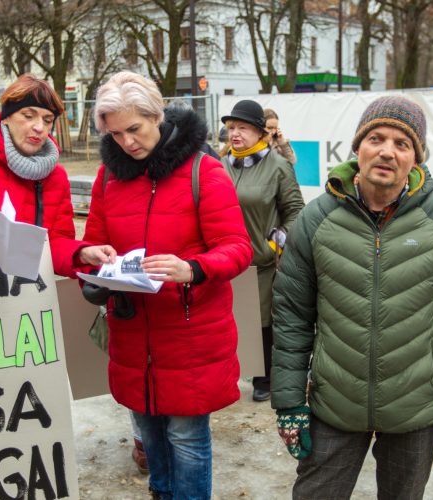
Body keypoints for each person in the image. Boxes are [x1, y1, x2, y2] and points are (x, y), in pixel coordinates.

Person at [271, 95, 433, 499]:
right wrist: (289, 402)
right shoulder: (317, 218)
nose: (387, 152)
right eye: (376, 138)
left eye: (402, 143)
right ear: (357, 147)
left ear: (417, 158)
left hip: (416, 405)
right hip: (334, 403)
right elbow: (291, 316)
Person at [79, 71, 253, 499]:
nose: (127, 143)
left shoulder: (203, 171)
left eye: (134, 129)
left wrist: (191, 268)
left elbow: (237, 247)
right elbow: (93, 240)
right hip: (133, 331)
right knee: (149, 431)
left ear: (156, 115)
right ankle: (160, 491)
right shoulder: (108, 179)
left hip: (191, 333)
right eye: (115, 134)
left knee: (187, 437)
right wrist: (98, 261)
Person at [0, 73, 112, 276]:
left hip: (25, 300)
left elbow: (57, 242)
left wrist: (82, 254)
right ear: (6, 117)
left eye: (47, 120)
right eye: (28, 116)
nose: (39, 127)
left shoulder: (57, 176)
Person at [220, 99, 304, 402]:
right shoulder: (221, 165)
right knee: (227, 320)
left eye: (243, 127)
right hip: (224, 261)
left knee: (261, 323)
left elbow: (296, 211)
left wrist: (274, 243)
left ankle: (264, 377)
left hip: (262, 262)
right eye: (231, 128)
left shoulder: (278, 166)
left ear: (260, 132)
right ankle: (231, 374)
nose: (235, 134)